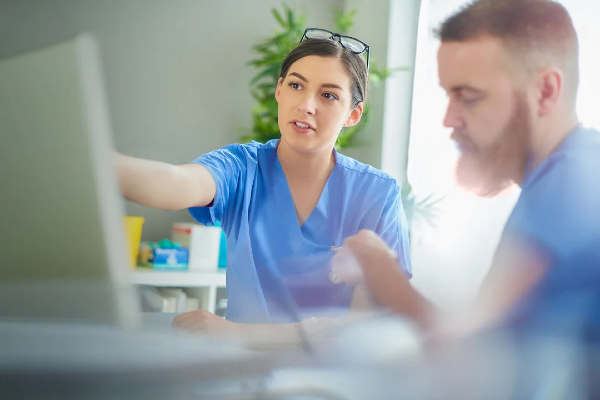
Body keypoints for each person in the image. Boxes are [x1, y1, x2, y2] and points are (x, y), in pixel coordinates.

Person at [336, 0, 600, 341]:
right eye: (448, 94)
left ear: (545, 92)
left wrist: (380, 269)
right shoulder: (577, 164)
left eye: (469, 97)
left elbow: (465, 355)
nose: (449, 118)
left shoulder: (571, 184)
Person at [117, 29, 412, 332]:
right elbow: (175, 183)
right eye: (297, 85)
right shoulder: (241, 168)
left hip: (332, 377)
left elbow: (371, 325)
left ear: (353, 114)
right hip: (239, 373)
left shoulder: (377, 194)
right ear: (280, 90)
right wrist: (91, 159)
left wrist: (240, 334)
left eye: (328, 95)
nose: (306, 105)